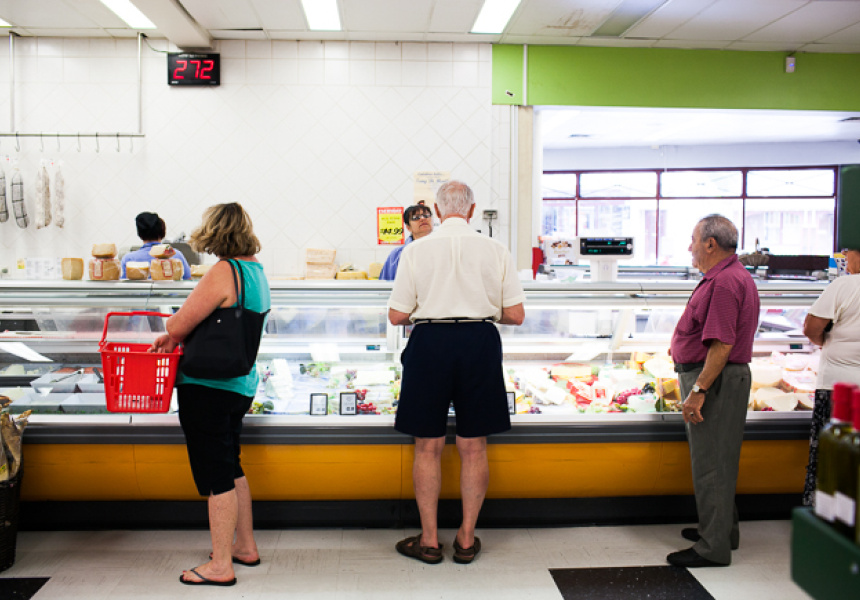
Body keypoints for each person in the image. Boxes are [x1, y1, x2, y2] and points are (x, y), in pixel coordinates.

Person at [388, 180, 525, 564]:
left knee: (427, 446)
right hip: (479, 344)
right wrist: (480, 310)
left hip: (429, 344)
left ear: (436, 210)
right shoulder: (496, 249)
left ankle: (430, 540)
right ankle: (465, 539)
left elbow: (397, 315)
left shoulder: (415, 251)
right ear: (472, 210)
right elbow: (515, 315)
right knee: (473, 445)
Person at [149, 203, 270, 586]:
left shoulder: (223, 271)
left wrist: (171, 332)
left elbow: (179, 323)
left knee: (216, 476)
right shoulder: (255, 271)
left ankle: (220, 565)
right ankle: (244, 546)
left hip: (207, 386)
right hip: (239, 384)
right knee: (230, 465)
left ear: (216, 232)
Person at [667, 214, 760, 568]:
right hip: (719, 377)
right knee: (719, 461)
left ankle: (712, 548)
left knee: (711, 467)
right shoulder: (732, 275)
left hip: (716, 380)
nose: (689, 247)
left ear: (710, 243)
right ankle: (722, 531)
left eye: (693, 240)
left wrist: (698, 389)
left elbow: (722, 344)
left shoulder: (723, 282)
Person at [801, 246, 860, 505]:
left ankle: (825, 512)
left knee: (831, 455)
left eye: (848, 252)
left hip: (838, 389)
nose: (845, 257)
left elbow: (811, 327)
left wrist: (823, 342)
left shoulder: (844, 285)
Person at [121, 211, 192, 280]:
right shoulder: (176, 255)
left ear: (140, 234)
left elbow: (121, 285)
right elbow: (189, 280)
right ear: (162, 231)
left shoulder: (129, 259)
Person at [379, 202, 434, 280]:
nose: (422, 219)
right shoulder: (397, 254)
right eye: (416, 217)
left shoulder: (442, 248)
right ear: (408, 227)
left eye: (426, 215)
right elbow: (385, 283)